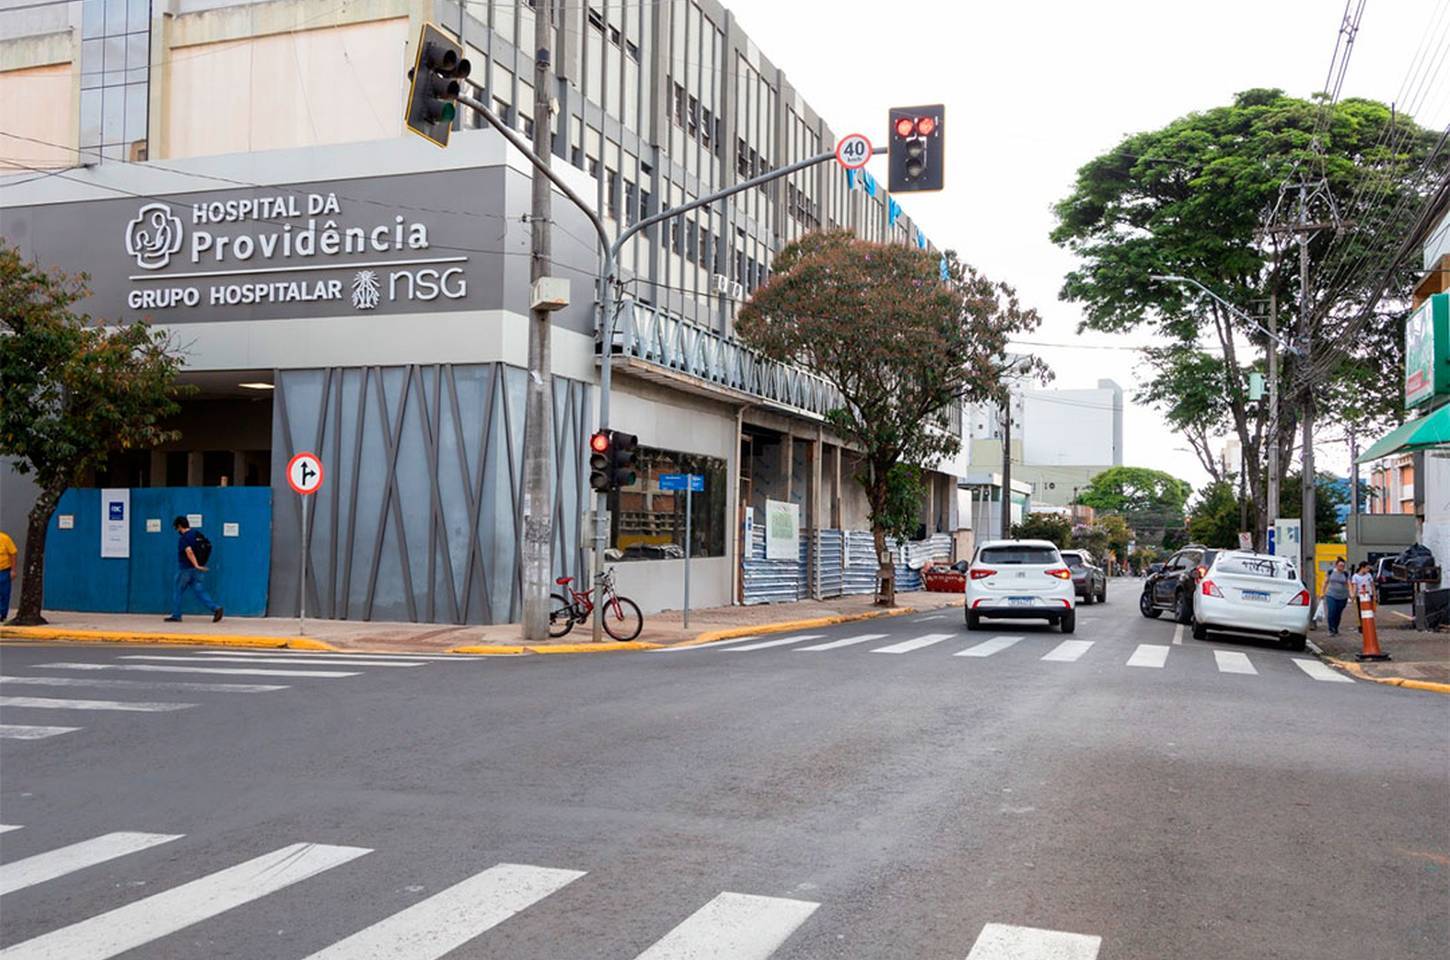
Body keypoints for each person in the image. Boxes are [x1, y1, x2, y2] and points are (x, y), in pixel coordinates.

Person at [167, 516, 222, 623]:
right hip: (197, 571)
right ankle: (216, 608)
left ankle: (176, 615)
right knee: (200, 591)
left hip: (186, 569)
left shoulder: (184, 538)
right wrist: (198, 566)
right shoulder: (197, 534)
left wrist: (195, 564)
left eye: (176, 528)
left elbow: (189, 552)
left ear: (179, 526)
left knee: (178, 591)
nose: (177, 530)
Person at [1323, 557, 1351, 636]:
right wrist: (1322, 592)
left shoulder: (1346, 574)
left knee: (1338, 613)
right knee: (1331, 612)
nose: (1341, 567)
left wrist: (1351, 594)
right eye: (1340, 565)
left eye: (1343, 566)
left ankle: (1335, 628)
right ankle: (1330, 629)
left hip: (1343, 596)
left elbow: (1348, 584)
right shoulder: (1330, 572)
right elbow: (1325, 582)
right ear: (1336, 565)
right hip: (1331, 595)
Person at [0, 528, 16, 621]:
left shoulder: (4, 539)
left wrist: (13, 570)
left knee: (4, 593)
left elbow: (13, 553)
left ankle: (3, 614)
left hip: (3, 570)